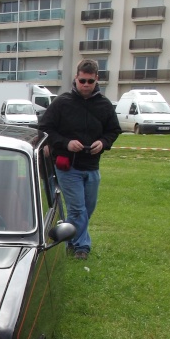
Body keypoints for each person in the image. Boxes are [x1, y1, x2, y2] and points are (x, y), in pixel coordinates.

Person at [37, 59, 121, 261]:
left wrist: (103, 142)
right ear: (76, 78)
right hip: (68, 165)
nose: (85, 84)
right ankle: (81, 247)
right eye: (82, 80)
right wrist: (66, 143)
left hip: (92, 166)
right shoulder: (62, 102)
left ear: (96, 80)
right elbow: (45, 128)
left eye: (89, 81)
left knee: (87, 209)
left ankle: (66, 238)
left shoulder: (104, 104)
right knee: (77, 208)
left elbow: (114, 130)